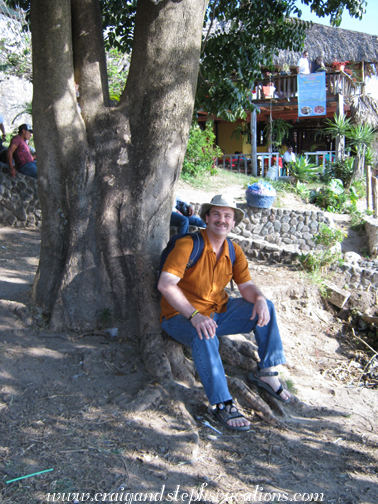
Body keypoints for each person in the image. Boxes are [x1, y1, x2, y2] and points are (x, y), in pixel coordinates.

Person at [158, 194, 291, 432]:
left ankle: (267, 373)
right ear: (207, 218)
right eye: (217, 214)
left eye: (227, 216)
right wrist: (195, 316)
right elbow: (166, 284)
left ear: (233, 222)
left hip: (219, 312)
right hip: (180, 317)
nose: (222, 220)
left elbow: (246, 286)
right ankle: (222, 403)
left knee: (266, 306)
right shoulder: (188, 245)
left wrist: (259, 298)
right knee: (204, 334)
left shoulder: (234, 250)